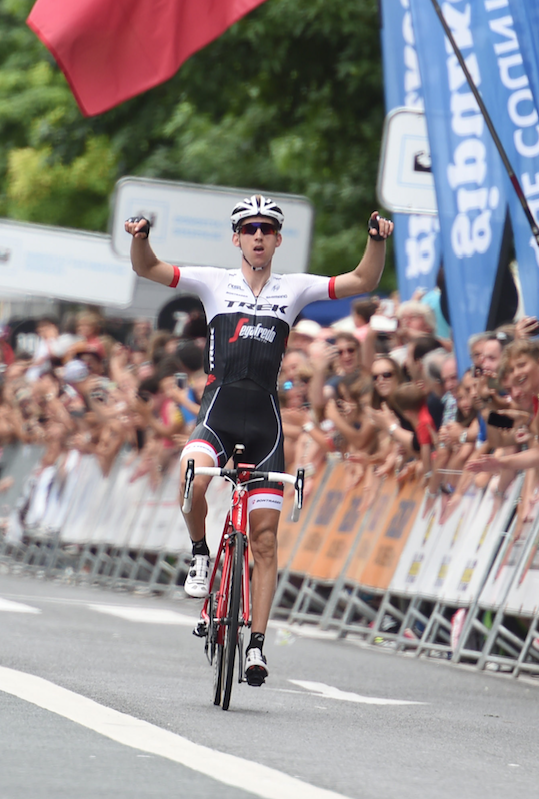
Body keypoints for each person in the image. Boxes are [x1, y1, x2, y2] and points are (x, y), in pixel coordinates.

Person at [125, 196, 393, 687]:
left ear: (277, 239)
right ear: (237, 238)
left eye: (267, 228)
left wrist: (375, 242)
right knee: (191, 474)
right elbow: (149, 269)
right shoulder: (212, 283)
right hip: (218, 413)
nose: (258, 235)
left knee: (266, 539)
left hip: (265, 425)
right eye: (249, 228)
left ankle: (256, 645)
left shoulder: (293, 289)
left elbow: (361, 281)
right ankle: (201, 553)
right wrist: (140, 239)